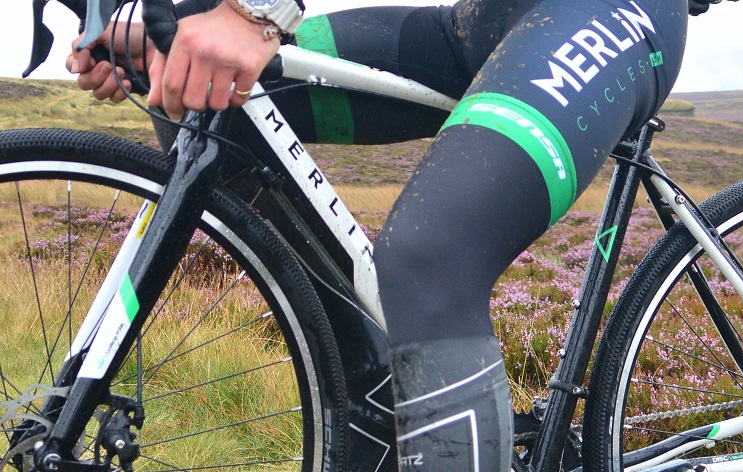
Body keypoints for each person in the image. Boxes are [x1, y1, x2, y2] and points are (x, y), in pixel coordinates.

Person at [68, 0, 693, 469]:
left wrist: (253, 13)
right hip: (479, 22)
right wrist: (163, 20)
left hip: (608, 11)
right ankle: (369, 412)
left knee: (429, 258)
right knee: (209, 98)